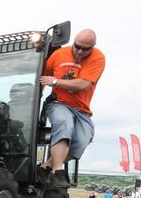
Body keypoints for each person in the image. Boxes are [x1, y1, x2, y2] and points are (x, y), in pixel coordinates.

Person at [37, 29, 106, 188]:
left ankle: (45, 167)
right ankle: (57, 172)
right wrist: (38, 96)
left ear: (93, 47)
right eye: (77, 46)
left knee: (82, 141)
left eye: (85, 49)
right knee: (64, 124)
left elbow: (82, 84)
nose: (80, 51)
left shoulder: (98, 57)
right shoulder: (58, 55)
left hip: (82, 109)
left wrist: (55, 82)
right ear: (73, 42)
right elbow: (42, 78)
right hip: (59, 103)